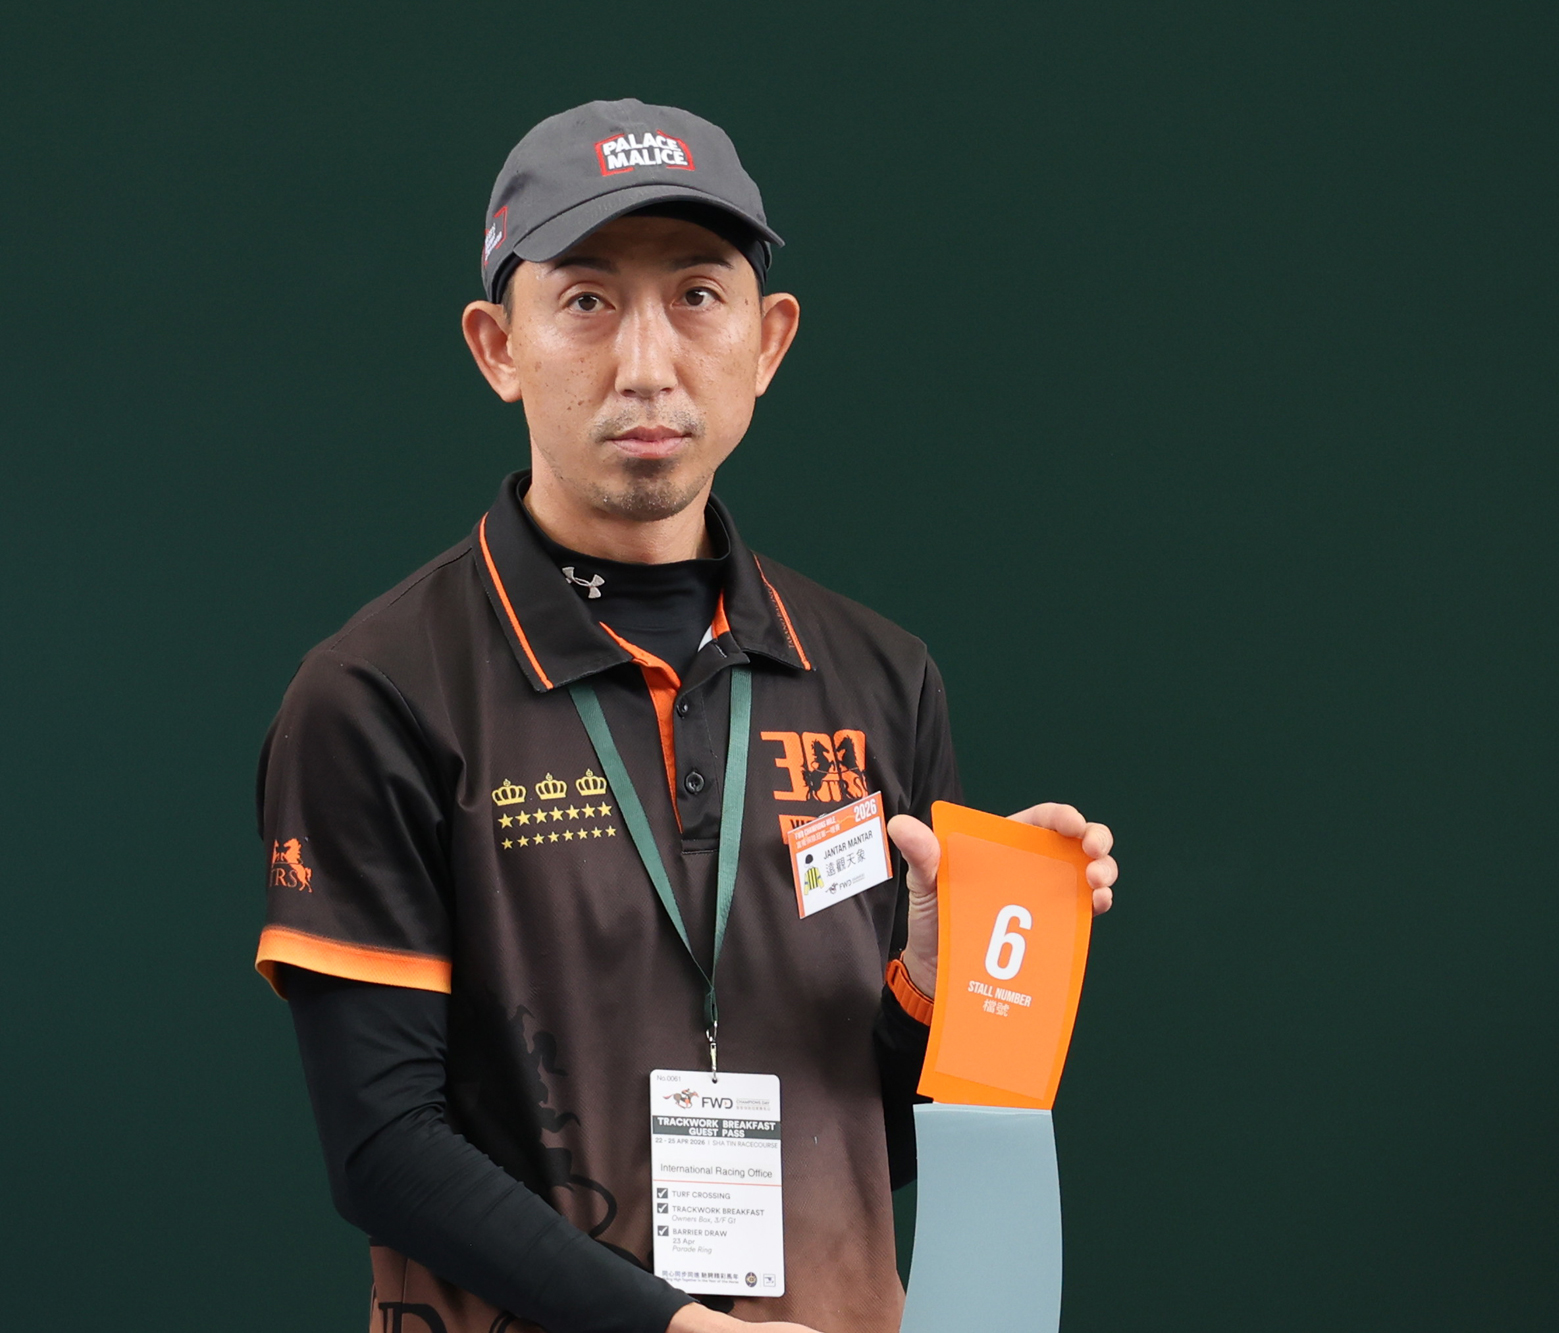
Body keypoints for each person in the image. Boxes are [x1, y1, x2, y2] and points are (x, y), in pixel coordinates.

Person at [254, 98, 1118, 1333]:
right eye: (587, 301)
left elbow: (868, 1142)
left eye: (698, 295)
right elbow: (384, 1148)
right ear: (498, 347)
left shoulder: (880, 676)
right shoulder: (379, 693)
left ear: (768, 341)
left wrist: (938, 988)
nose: (647, 364)